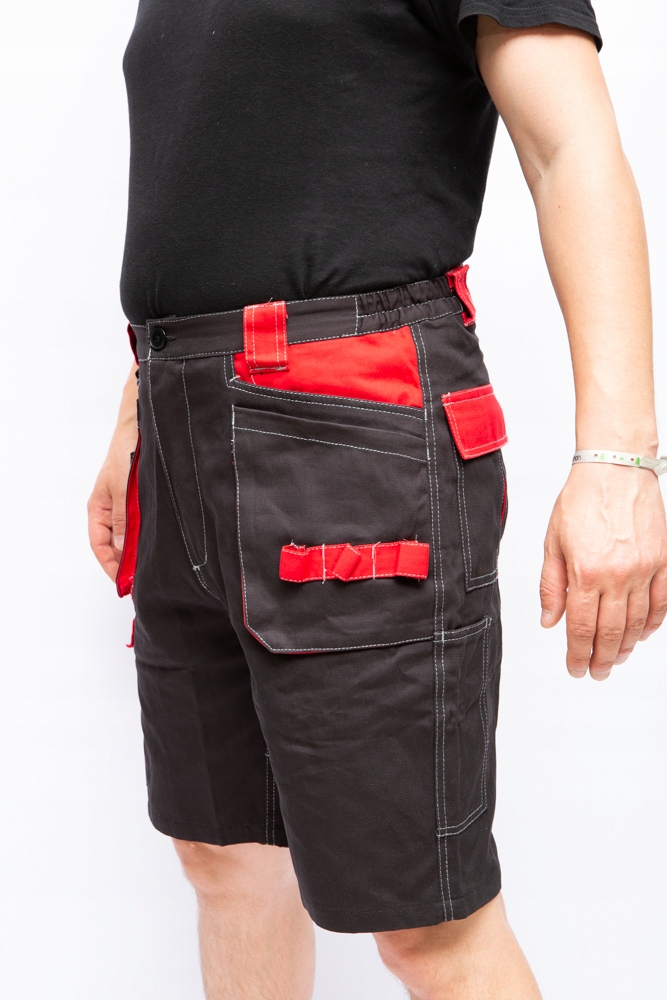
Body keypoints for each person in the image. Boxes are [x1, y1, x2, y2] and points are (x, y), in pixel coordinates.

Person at [87, 1, 667, 997]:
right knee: (226, 857)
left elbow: (567, 147)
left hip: (349, 420)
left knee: (425, 923)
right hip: (178, 418)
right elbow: (228, 180)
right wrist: (139, 405)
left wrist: (620, 458)